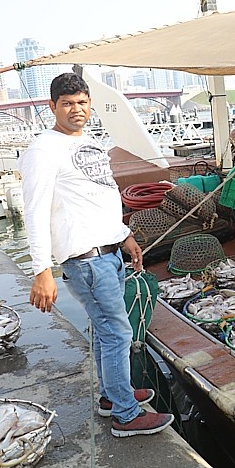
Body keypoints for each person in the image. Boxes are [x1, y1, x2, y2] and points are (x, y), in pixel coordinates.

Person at [18, 73, 174, 438]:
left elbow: (101, 198)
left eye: (82, 102)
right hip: (87, 261)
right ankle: (125, 414)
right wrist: (41, 270)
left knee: (107, 332)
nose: (76, 110)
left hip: (108, 253)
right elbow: (34, 212)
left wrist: (125, 236)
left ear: (90, 104)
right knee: (118, 332)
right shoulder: (43, 150)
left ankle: (112, 395)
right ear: (52, 107)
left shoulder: (88, 143)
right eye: (68, 103)